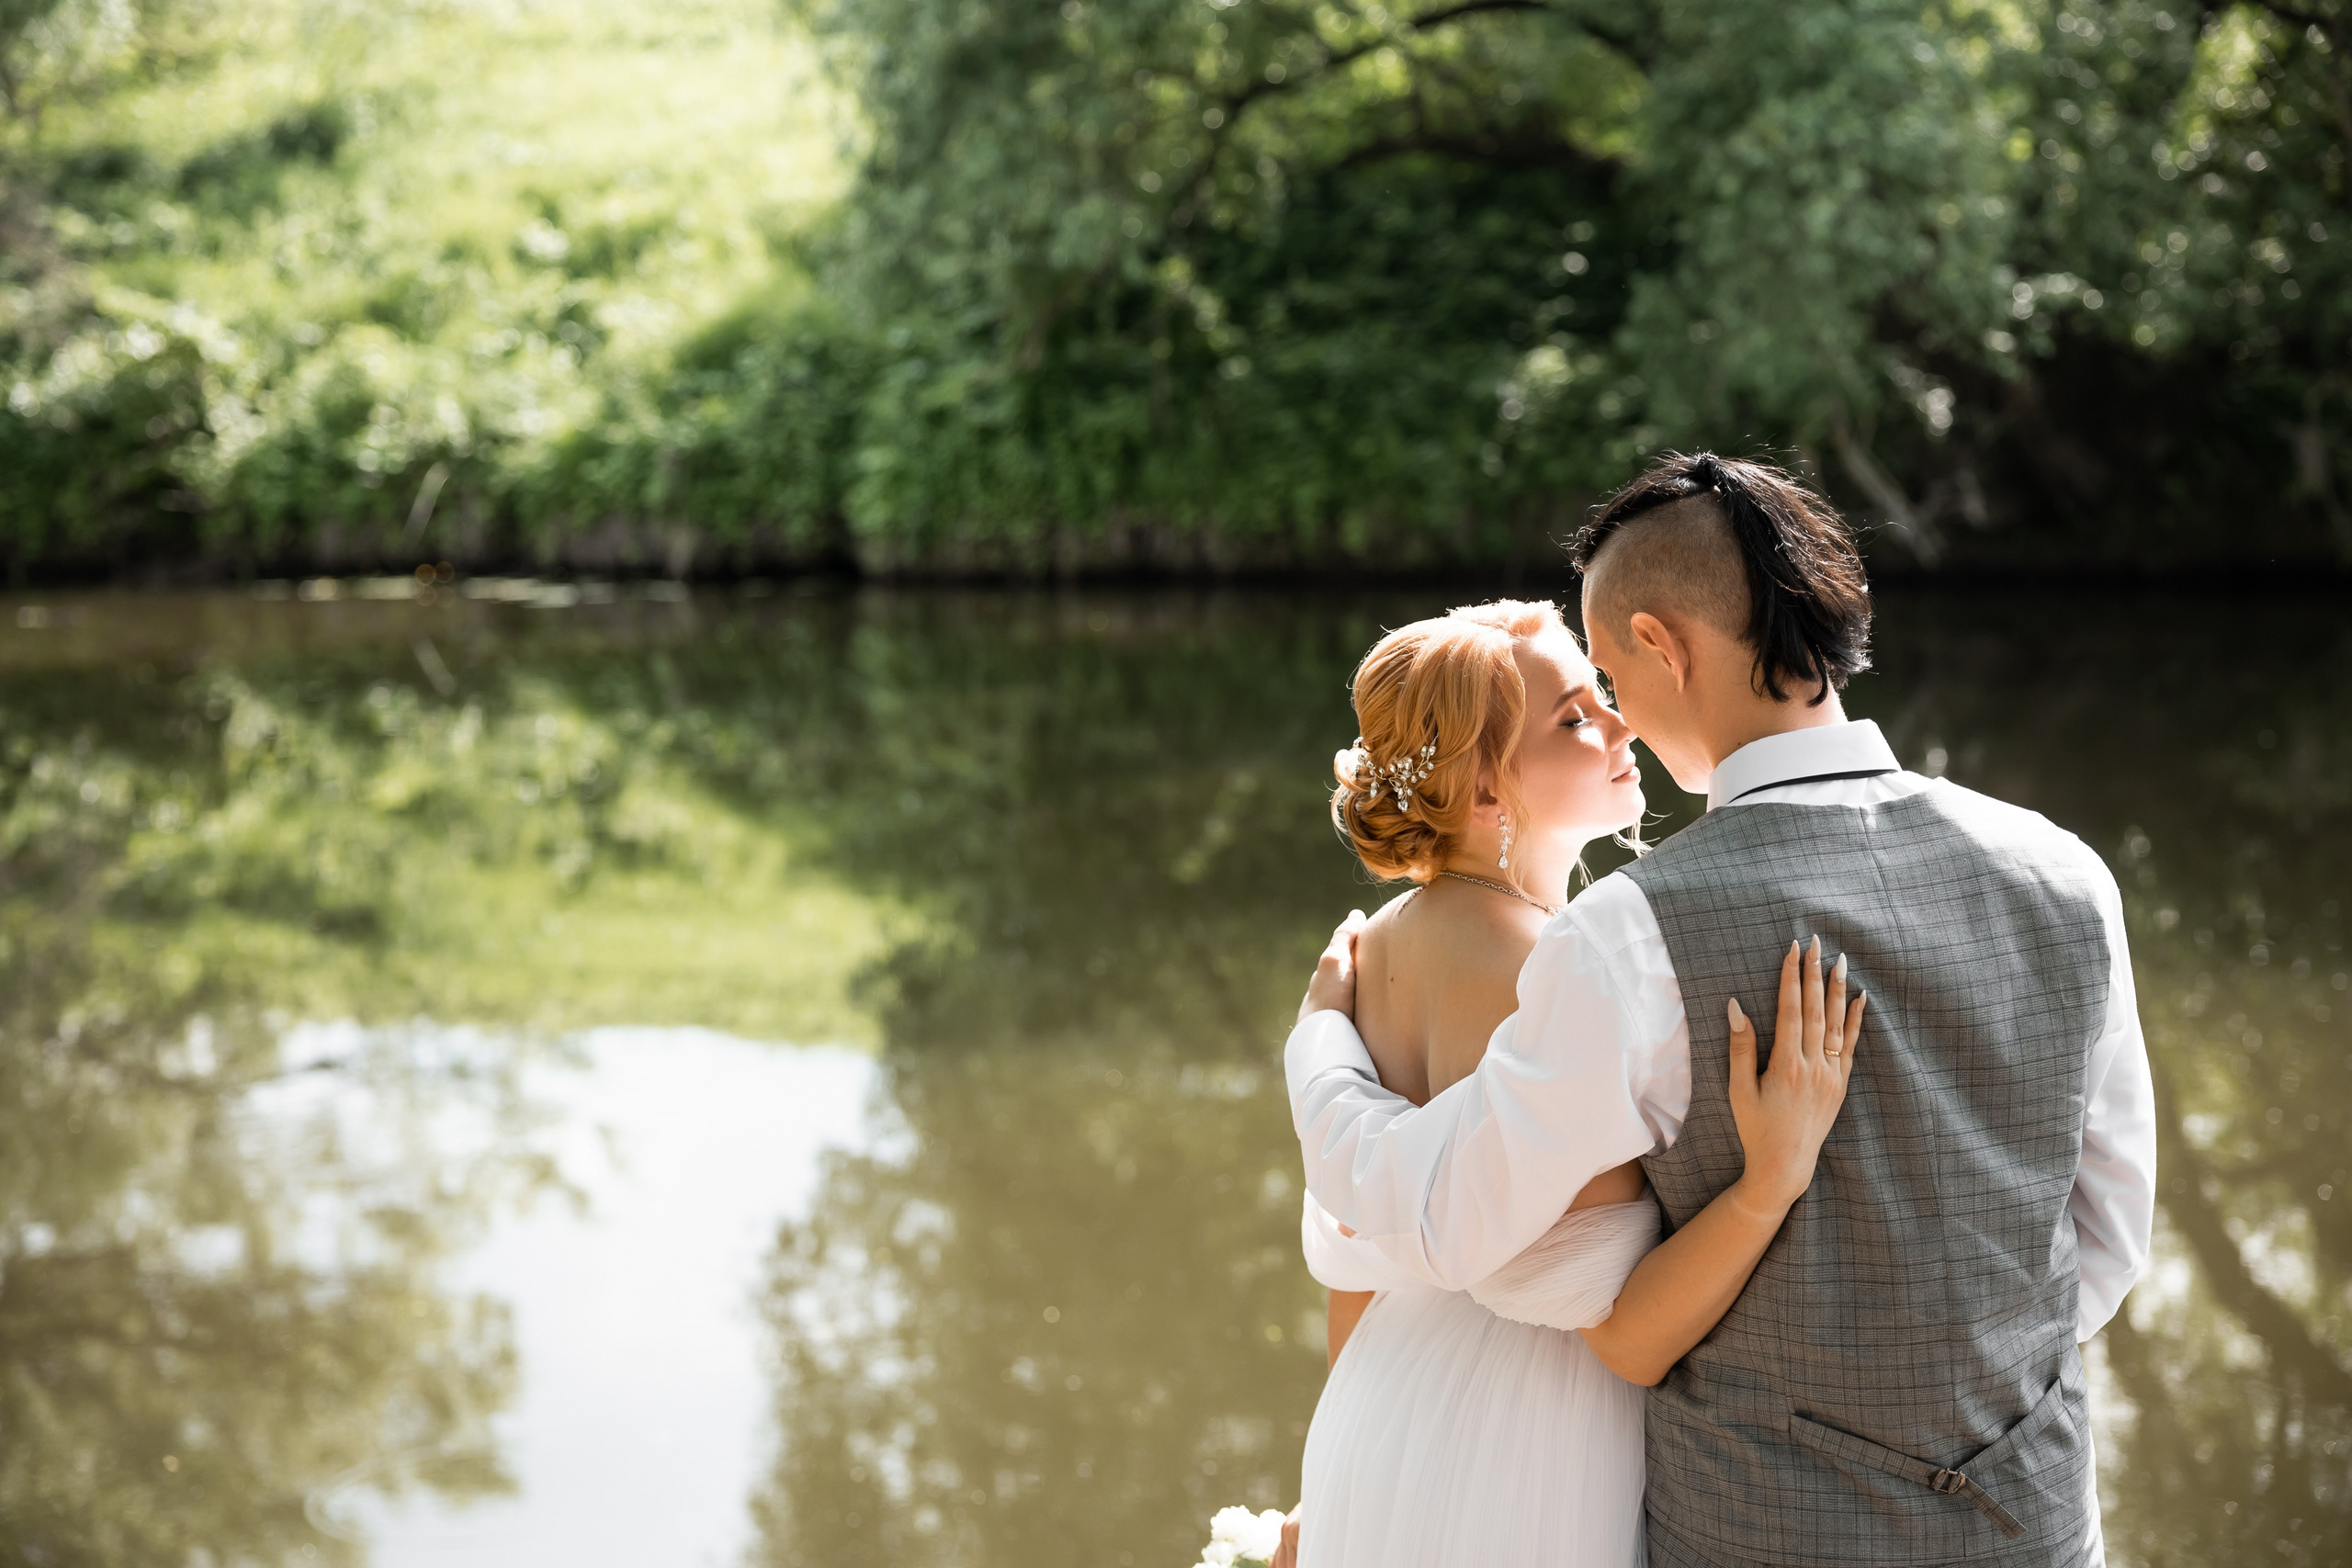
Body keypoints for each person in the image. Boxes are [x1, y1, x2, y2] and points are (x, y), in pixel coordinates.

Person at [1285, 454, 2156, 1567]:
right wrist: (1954, 1415)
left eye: (1607, 675)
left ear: (1661, 645)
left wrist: (1319, 1046)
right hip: (2032, 1519)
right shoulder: (2067, 873)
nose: (1619, 721)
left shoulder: (1630, 935)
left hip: (1759, 1531)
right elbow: (2108, 1238)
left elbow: (1439, 1214)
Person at [1272, 599, 1865, 1568]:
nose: (1620, 724)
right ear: (1481, 793)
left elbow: (1358, 1275)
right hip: (1527, 1448)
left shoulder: (1362, 954)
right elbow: (1619, 1320)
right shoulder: (1558, 976)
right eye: (1574, 719)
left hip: (1376, 1415)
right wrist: (1769, 1180)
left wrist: (1330, 1487)